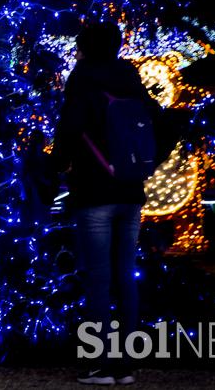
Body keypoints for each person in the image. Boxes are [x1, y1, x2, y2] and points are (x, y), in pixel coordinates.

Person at [52, 22, 159, 386]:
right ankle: (126, 365)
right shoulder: (130, 78)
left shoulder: (82, 80)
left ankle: (101, 364)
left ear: (87, 47)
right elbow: (160, 122)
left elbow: (67, 131)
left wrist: (55, 166)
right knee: (125, 276)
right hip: (130, 191)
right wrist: (146, 164)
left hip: (94, 190)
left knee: (98, 279)